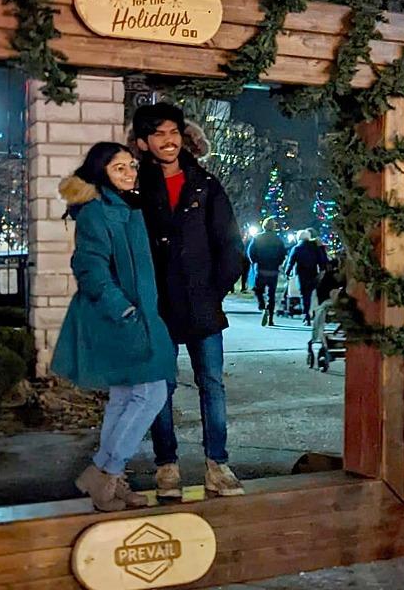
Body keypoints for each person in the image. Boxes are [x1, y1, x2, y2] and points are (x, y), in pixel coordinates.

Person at [51, 142, 176, 512]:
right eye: (118, 167)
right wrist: (122, 309)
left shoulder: (126, 208)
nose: (128, 173)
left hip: (139, 317)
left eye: (131, 166)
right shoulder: (97, 212)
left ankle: (109, 479)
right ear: (100, 171)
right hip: (120, 319)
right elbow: (89, 268)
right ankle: (106, 471)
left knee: (125, 396)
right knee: (151, 393)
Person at [130, 103, 246, 499]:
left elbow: (230, 244)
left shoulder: (205, 184)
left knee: (212, 384)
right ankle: (167, 466)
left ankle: (218, 464)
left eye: (173, 132)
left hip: (202, 303)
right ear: (144, 142)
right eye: (158, 134)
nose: (168, 140)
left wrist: (215, 290)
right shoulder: (135, 188)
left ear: (184, 136)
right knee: (159, 388)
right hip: (156, 306)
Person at [248, 217, 288, 327]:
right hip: (273, 271)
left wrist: (255, 262)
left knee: (258, 290)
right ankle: (270, 317)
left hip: (261, 269)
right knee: (272, 295)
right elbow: (283, 254)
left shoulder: (257, 238)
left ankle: (262, 305)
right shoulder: (278, 239)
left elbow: (251, 252)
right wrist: (278, 263)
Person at [286, 229, 328, 326]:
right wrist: (322, 270)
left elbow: (290, 262)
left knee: (304, 295)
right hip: (313, 273)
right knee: (312, 294)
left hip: (301, 274)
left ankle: (306, 316)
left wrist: (288, 272)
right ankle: (315, 314)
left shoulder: (296, 248)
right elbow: (321, 261)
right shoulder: (315, 248)